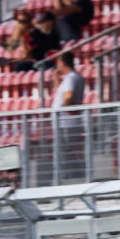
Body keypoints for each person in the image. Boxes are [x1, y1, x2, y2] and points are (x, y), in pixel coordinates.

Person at [49, 50, 86, 181]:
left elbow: (69, 96)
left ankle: (73, 176)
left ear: (62, 62)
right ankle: (71, 175)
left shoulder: (71, 77)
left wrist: (65, 108)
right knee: (66, 150)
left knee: (68, 150)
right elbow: (61, 93)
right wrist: (56, 80)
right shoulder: (71, 77)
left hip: (66, 122)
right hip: (65, 121)